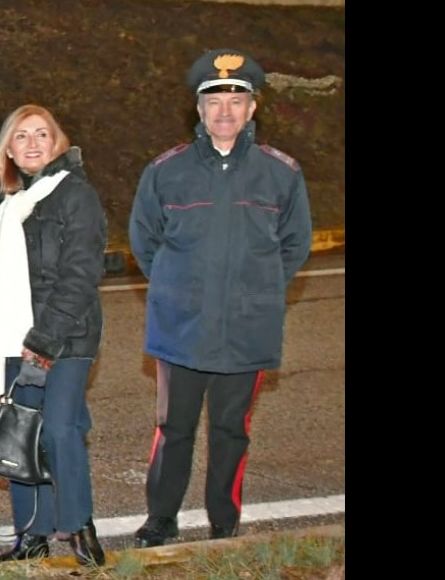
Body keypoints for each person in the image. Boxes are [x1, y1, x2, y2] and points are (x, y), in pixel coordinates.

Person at [128, 50, 311, 547]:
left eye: (236, 99)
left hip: (246, 329)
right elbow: (144, 241)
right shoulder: (167, 171)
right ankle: (160, 518)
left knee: (231, 431)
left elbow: (296, 244)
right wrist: (177, 288)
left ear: (253, 108)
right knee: (174, 428)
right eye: (214, 100)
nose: (225, 110)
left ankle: (223, 523)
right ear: (199, 109)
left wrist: (258, 288)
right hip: (181, 328)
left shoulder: (281, 173)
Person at [0, 105, 108, 567]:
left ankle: (79, 527)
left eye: (42, 134)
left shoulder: (76, 195)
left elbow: (80, 274)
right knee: (22, 433)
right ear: (8, 150)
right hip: (17, 335)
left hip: (67, 336)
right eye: (21, 136)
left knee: (58, 429)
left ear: (56, 141)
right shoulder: (14, 202)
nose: (32, 143)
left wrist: (44, 339)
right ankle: (31, 536)